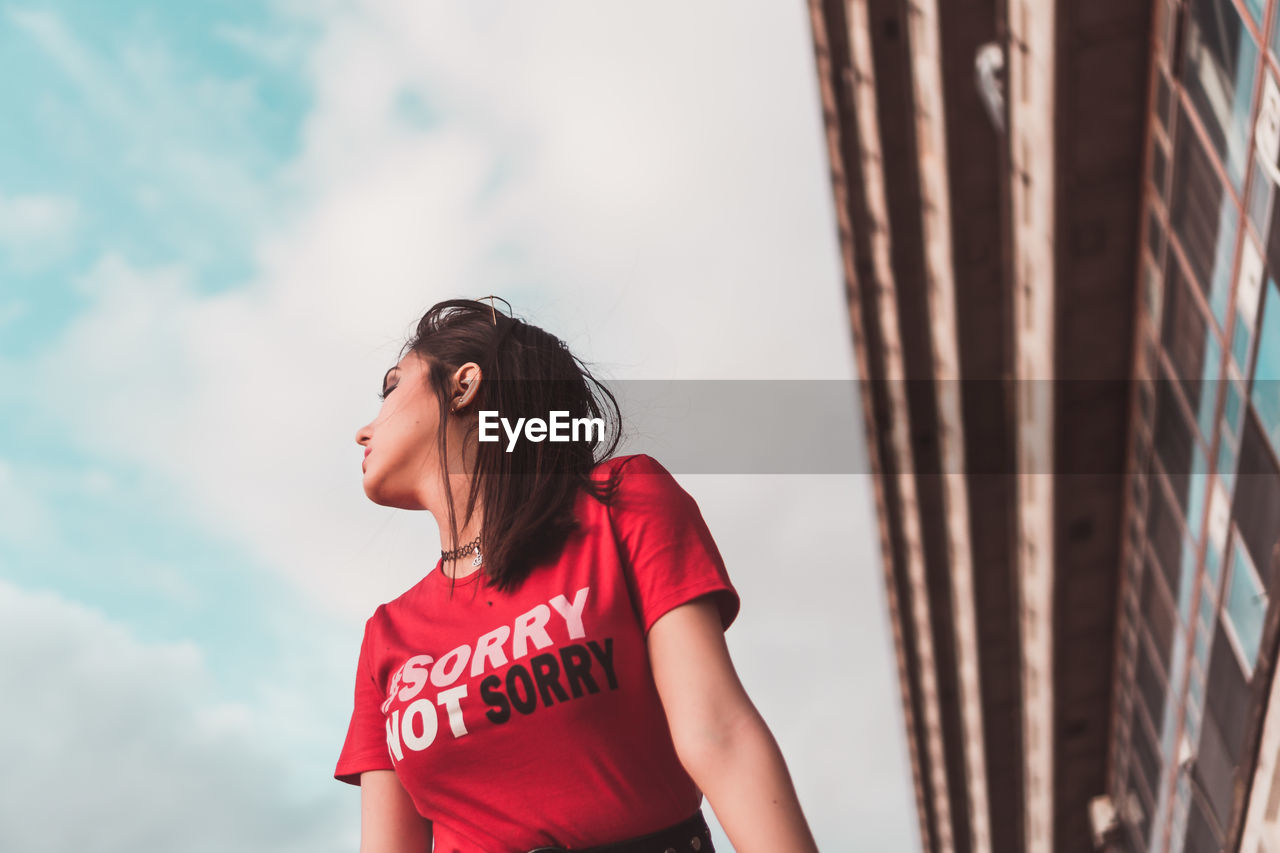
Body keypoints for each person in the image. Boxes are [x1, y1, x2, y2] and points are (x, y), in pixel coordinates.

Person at [336, 298, 819, 853]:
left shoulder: (621, 502)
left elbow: (718, 733)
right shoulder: (387, 636)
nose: (363, 431)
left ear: (462, 387)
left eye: (392, 387)